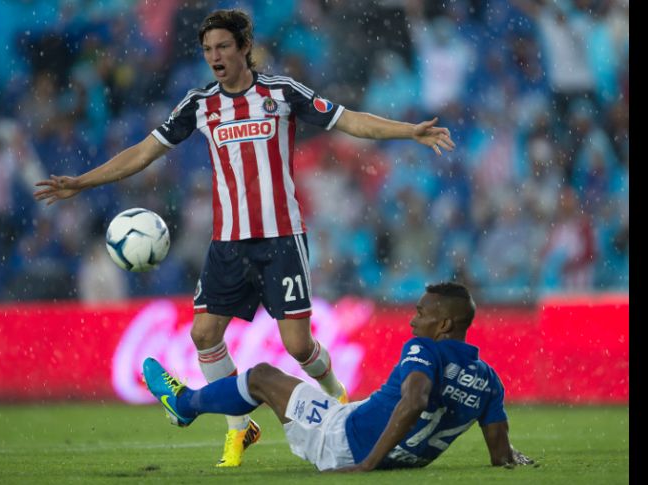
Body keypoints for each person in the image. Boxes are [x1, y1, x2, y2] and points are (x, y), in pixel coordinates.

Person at [33, 8, 455, 467]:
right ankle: (240, 428)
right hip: (229, 244)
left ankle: (336, 393)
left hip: (281, 239)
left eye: (223, 47)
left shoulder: (281, 92)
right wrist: (84, 182)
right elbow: (144, 152)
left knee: (297, 346)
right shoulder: (199, 104)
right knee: (204, 334)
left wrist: (407, 131)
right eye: (208, 49)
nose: (215, 56)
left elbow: (347, 120)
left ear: (243, 48)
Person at [142, 282, 534, 471]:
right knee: (302, 389)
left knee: (261, 375)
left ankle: (185, 405)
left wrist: (367, 464)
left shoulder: (423, 350)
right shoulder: (488, 380)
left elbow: (414, 400)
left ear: (444, 324)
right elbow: (501, 456)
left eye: (421, 313)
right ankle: (220, 415)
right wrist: (516, 458)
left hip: (341, 436)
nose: (413, 320)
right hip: (379, 440)